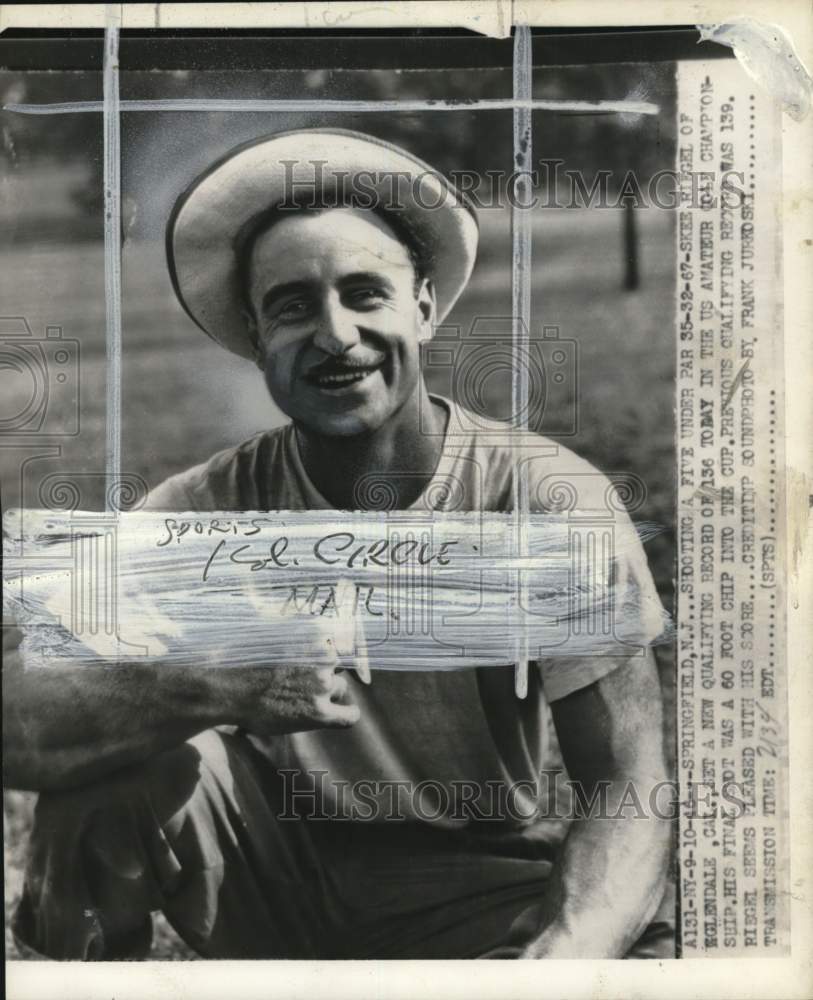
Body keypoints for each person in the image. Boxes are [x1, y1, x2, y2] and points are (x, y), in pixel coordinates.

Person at [4, 128, 673, 960]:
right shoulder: (211, 507)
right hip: (279, 883)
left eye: (364, 294)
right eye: (291, 306)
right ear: (255, 335)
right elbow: (16, 705)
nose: (334, 334)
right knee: (119, 778)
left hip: (483, 888)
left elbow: (627, 783)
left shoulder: (542, 496)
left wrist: (563, 961)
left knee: (637, 950)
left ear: (422, 307)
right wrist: (213, 683)